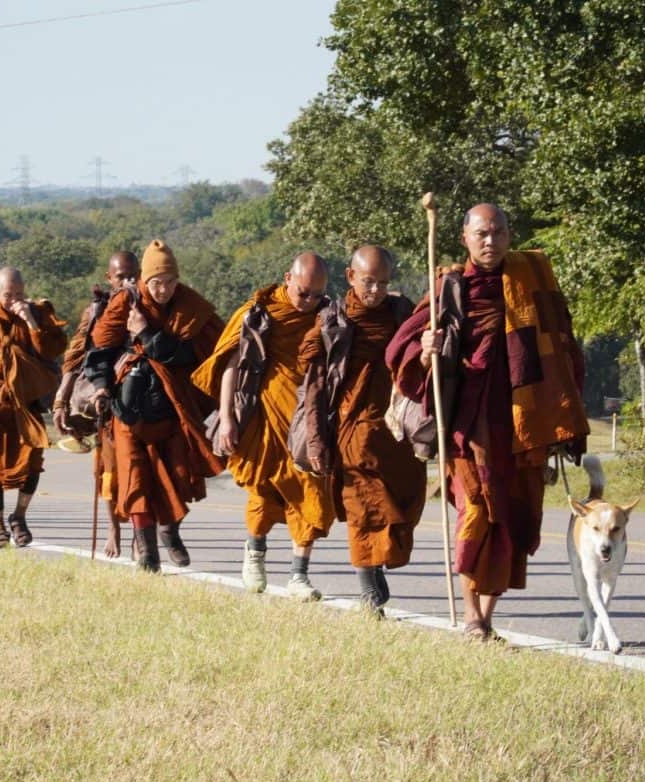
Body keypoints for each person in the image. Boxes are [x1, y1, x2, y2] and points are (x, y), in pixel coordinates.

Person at [386, 203, 589, 639]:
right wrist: (426, 349)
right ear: (465, 239)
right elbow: (399, 350)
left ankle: (488, 616)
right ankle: (472, 615)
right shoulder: (451, 287)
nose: (490, 241)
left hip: (523, 423)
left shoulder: (532, 282)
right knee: (476, 511)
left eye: (497, 232)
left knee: (513, 515)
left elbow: (562, 343)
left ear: (509, 235)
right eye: (481, 234)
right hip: (469, 422)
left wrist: (562, 409)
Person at [192, 252, 335, 601]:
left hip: (309, 418)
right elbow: (232, 365)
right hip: (264, 415)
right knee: (263, 489)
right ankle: (255, 552)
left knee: (313, 489)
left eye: (317, 294)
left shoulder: (328, 316)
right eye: (303, 292)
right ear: (288, 278)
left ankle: (298, 576)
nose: (309, 301)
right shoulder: (258, 314)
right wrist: (226, 418)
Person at [296, 246, 426, 613]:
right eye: (368, 282)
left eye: (383, 283)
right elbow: (316, 387)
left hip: (397, 428)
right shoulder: (333, 322)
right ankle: (369, 586)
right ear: (351, 277)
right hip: (353, 433)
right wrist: (318, 442)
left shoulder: (403, 313)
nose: (375, 291)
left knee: (404, 502)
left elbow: (421, 353)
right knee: (363, 507)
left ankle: (376, 565)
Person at [86, 239, 225, 572]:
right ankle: (147, 552)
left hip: (174, 408)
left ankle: (169, 532)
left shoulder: (193, 308)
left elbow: (201, 356)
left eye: (170, 281)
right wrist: (102, 388)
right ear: (144, 281)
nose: (163, 289)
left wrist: (148, 335)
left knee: (176, 477)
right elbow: (99, 352)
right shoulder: (125, 304)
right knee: (135, 478)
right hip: (128, 410)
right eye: (156, 282)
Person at [0, 267, 67, 547]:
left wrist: (29, 320)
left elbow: (51, 351)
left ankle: (19, 516)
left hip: (24, 401)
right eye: (8, 295)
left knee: (32, 462)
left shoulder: (37, 314)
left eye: (19, 293)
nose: (14, 299)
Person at [52, 250, 139, 557]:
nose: (128, 281)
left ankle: (142, 532)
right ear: (109, 278)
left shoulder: (149, 305)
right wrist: (61, 402)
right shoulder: (96, 311)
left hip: (141, 398)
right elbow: (75, 358)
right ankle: (114, 530)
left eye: (133, 275)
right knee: (109, 471)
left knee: (145, 470)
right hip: (104, 398)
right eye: (121, 276)